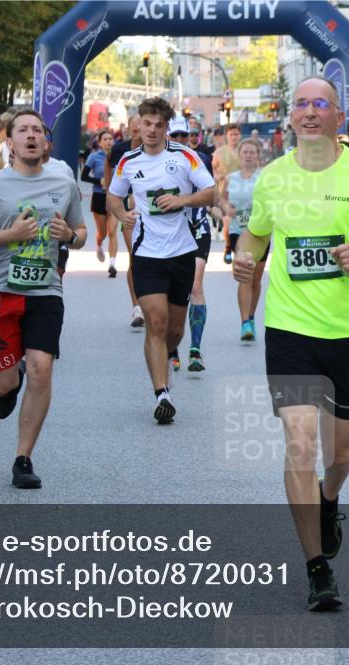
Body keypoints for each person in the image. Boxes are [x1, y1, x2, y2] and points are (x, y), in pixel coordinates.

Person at [232, 76, 349, 611]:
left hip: (346, 334)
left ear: (337, 117)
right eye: (302, 104)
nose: (310, 112)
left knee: (339, 454)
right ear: (291, 116)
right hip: (289, 330)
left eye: (321, 104)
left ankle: (330, 499)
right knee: (301, 445)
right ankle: (316, 568)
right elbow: (256, 234)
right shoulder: (273, 178)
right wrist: (243, 257)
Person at [0, 109, 87, 489]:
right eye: (23, 130)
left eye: (37, 130)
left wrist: (69, 236)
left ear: (45, 142)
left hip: (46, 291)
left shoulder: (63, 183)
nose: (31, 135)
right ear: (10, 142)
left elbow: (81, 232)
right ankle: (9, 381)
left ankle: (23, 458)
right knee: (2, 385)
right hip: (2, 291)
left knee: (41, 368)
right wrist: (9, 235)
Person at [107, 98, 215, 425]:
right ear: (138, 124)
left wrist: (183, 200)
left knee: (175, 329)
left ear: (166, 127)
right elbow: (113, 195)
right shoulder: (128, 161)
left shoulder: (184, 156)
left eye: (158, 125)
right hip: (147, 253)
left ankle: (168, 356)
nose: (152, 130)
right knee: (156, 322)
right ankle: (161, 394)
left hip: (181, 252)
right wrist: (122, 214)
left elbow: (211, 192)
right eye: (146, 124)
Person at [167, 117, 214, 372]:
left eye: (184, 135)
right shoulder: (155, 161)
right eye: (174, 135)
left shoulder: (201, 160)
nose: (180, 140)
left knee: (196, 286)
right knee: (171, 292)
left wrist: (217, 207)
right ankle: (172, 348)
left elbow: (212, 191)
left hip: (197, 227)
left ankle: (195, 350)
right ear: (167, 136)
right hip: (168, 232)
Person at [223, 138, 266, 341]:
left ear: (257, 156)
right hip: (237, 232)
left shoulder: (264, 177)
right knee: (246, 276)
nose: (248, 155)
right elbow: (222, 198)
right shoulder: (230, 178)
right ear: (239, 156)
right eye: (245, 152)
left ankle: (251, 316)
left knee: (256, 279)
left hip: (260, 233)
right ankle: (245, 323)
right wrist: (226, 208)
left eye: (252, 152)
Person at [106, 114, 145, 327]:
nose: (138, 128)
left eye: (142, 124)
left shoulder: (157, 150)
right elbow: (108, 165)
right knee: (136, 257)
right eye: (135, 126)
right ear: (129, 129)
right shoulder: (120, 150)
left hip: (155, 213)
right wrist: (110, 194)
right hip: (130, 211)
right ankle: (137, 307)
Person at [82, 129, 118, 276]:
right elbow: (84, 176)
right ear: (100, 142)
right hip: (99, 196)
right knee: (103, 233)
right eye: (105, 139)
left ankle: (112, 264)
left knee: (112, 231)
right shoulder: (94, 157)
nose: (109, 142)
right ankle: (99, 244)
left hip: (115, 197)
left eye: (111, 139)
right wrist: (99, 181)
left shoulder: (119, 156)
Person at [213, 123, 242, 261]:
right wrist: (219, 177)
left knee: (242, 223)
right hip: (225, 193)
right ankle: (228, 246)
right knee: (228, 223)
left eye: (236, 134)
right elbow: (213, 171)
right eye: (231, 134)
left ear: (240, 135)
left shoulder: (245, 151)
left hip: (242, 192)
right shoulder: (219, 153)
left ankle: (240, 248)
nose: (234, 137)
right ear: (226, 136)